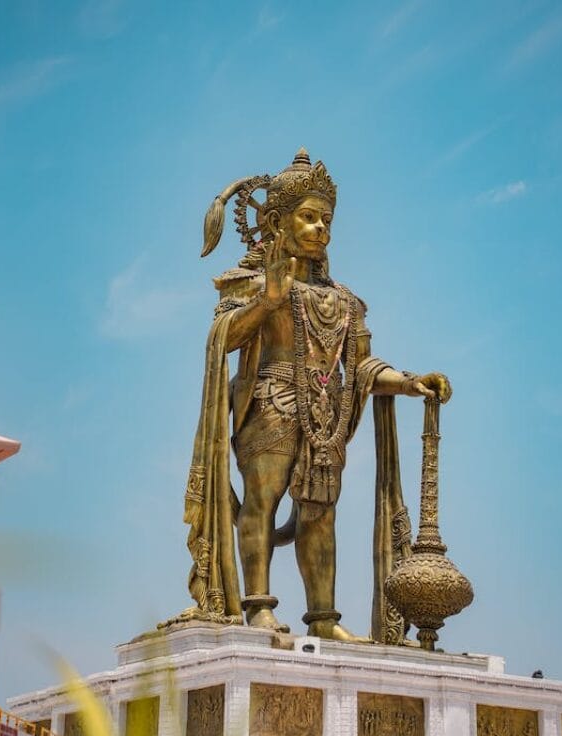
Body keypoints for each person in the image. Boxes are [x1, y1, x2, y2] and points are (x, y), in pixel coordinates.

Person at [162, 150, 450, 642]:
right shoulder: (252, 284)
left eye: (327, 220)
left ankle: (323, 617)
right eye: (309, 217)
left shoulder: (344, 300)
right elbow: (223, 338)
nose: (321, 229)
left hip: (325, 417)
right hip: (270, 402)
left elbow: (360, 365)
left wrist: (406, 382)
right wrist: (268, 301)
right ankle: (257, 606)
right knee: (263, 500)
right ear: (276, 221)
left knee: (319, 515)